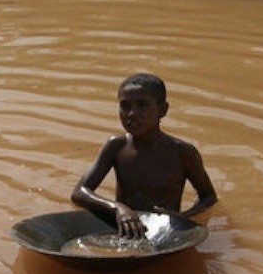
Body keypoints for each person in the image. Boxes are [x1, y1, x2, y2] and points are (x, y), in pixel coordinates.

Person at [71, 72, 218, 238]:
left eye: (142, 105)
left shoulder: (182, 152)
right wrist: (118, 208)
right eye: (125, 106)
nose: (132, 113)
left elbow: (209, 196)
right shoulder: (116, 146)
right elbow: (80, 192)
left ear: (162, 110)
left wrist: (186, 217)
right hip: (127, 230)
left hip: (165, 234)